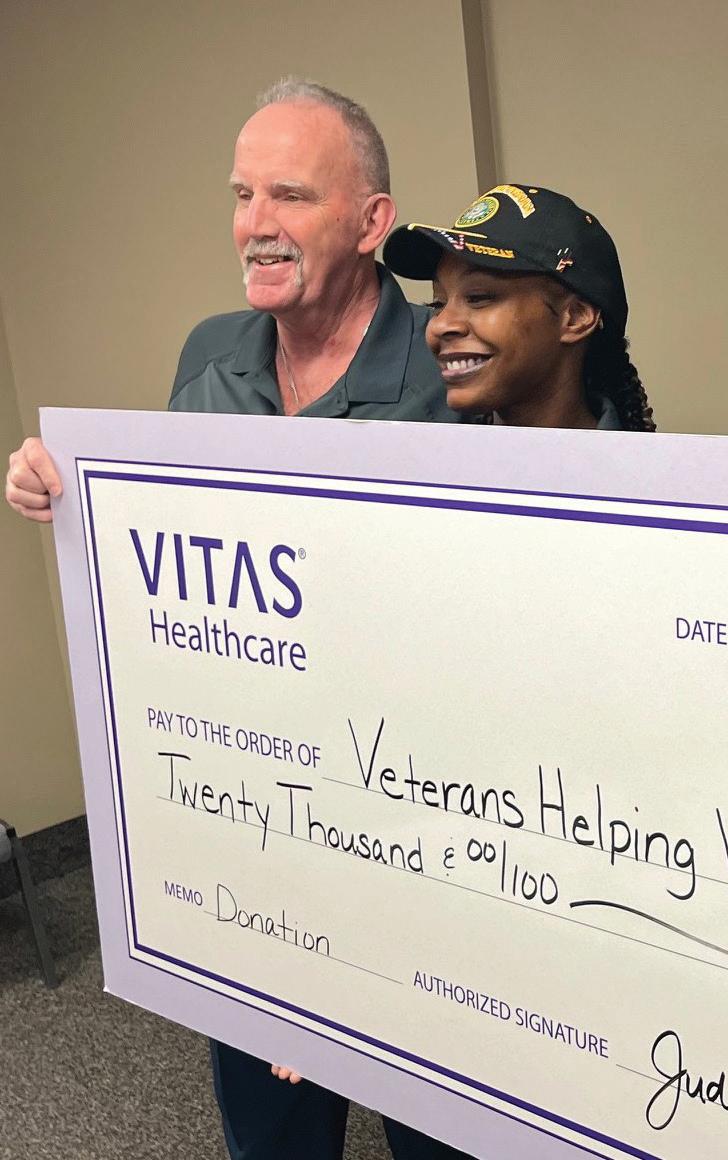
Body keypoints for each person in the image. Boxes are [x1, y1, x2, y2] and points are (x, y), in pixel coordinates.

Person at [4, 79, 470, 1160]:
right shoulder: (210, 351)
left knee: (439, 1132)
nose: (256, 222)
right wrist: (65, 491)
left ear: (371, 221)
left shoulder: (452, 362)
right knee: (271, 1134)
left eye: (291, 195)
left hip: (414, 836)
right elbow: (179, 560)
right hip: (254, 830)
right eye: (241, 194)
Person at [381, 183, 655, 431]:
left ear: (576, 317)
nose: (439, 325)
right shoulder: (426, 461)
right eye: (438, 304)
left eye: (478, 297)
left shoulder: (642, 471)